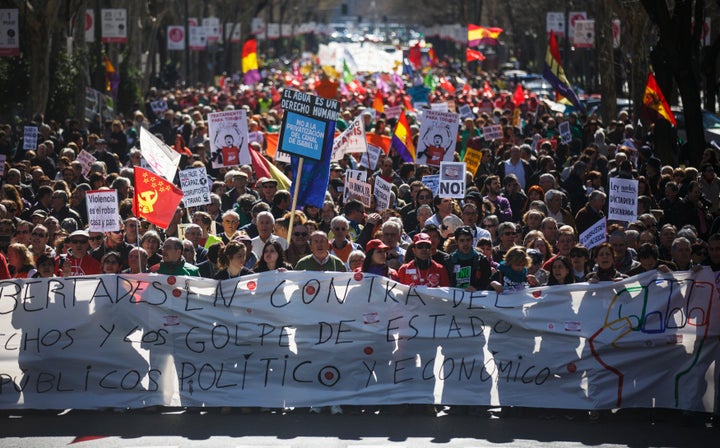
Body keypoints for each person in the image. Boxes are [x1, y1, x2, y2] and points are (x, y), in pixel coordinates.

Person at [446, 226, 493, 291]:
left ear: (472, 241)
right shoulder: (449, 260)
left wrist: (476, 288)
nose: (465, 243)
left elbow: (487, 283)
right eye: (462, 240)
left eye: (468, 240)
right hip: (454, 298)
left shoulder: (481, 260)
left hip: (474, 298)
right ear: (456, 242)